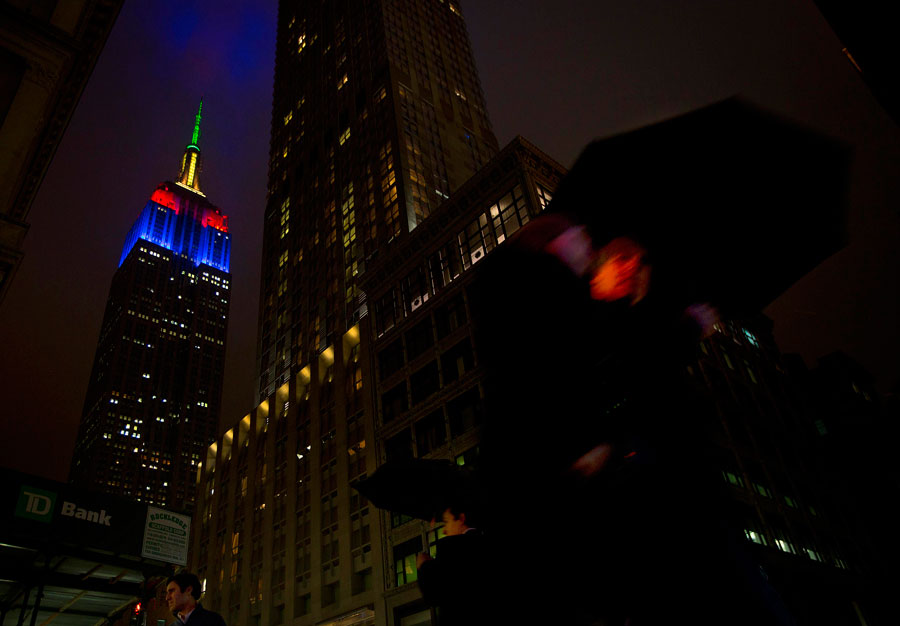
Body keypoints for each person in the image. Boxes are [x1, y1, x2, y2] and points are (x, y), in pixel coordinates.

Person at [415, 505, 488, 626]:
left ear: (461, 518)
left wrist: (424, 565)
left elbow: (433, 594)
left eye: (446, 522)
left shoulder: (451, 547)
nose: (444, 530)